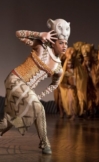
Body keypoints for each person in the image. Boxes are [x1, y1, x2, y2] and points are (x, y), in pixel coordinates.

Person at [0, 18, 70, 154]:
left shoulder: (59, 68)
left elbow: (54, 85)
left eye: (66, 43)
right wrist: (39, 34)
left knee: (8, 122)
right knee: (39, 109)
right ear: (53, 42)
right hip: (15, 79)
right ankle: (45, 143)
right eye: (61, 43)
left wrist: (39, 96)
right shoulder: (40, 47)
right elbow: (18, 34)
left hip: (25, 90)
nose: (64, 46)